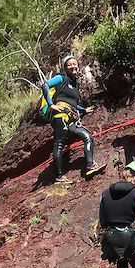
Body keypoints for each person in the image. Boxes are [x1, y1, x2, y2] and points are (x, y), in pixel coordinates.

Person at [42, 53, 106, 184]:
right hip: (61, 115)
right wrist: (51, 105)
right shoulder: (61, 78)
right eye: (69, 64)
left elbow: (73, 103)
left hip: (71, 117)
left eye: (74, 64)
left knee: (87, 136)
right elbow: (45, 85)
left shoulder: (74, 85)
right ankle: (59, 177)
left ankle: (90, 165)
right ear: (65, 67)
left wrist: (83, 110)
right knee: (59, 143)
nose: (73, 66)